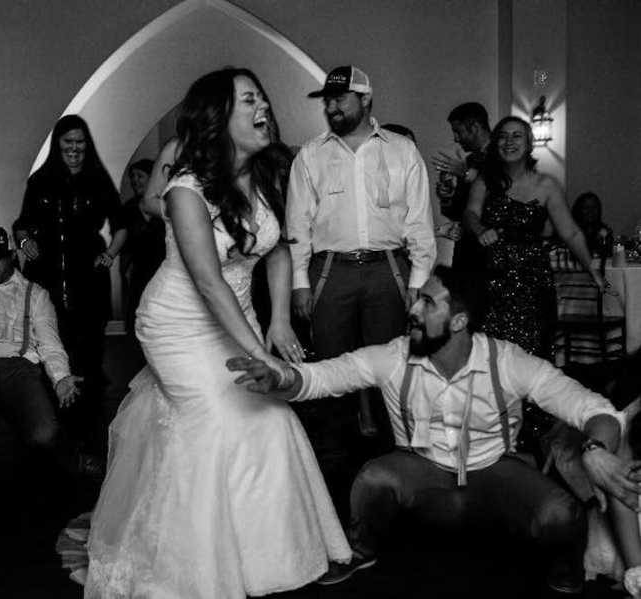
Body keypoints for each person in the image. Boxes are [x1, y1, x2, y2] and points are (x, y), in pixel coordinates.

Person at [83, 68, 350, 598]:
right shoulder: (185, 191)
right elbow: (207, 282)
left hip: (238, 316)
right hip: (178, 324)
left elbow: (277, 248)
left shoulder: (272, 172)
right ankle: (186, 573)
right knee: (214, 423)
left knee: (269, 420)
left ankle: (264, 561)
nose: (263, 108)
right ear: (216, 118)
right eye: (248, 99)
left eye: (263, 98)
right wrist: (260, 355)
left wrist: (275, 323)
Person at [228, 266, 641, 594]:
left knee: (562, 515)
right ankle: (362, 549)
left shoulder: (509, 362)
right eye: (418, 300)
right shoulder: (393, 356)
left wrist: (595, 449)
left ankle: (565, 568)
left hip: (494, 471)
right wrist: (279, 378)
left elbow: (593, 409)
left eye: (428, 303)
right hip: (422, 473)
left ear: (459, 320)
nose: (413, 309)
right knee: (373, 479)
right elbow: (322, 377)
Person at [285, 64, 435, 485]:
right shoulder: (311, 154)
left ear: (365, 100)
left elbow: (419, 220)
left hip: (388, 268)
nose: (331, 107)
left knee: (393, 368)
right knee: (334, 372)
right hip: (330, 270)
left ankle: (396, 468)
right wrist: (300, 281)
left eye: (340, 98)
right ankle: (338, 474)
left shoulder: (402, 149)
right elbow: (298, 225)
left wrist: (419, 278)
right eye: (327, 101)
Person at [14, 115, 126, 465]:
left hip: (87, 283)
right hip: (48, 281)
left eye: (79, 143)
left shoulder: (97, 180)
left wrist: (110, 255)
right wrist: (26, 240)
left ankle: (89, 441)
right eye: (68, 144)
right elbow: (22, 224)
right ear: (58, 146)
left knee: (88, 361)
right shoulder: (41, 181)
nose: (74, 150)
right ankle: (58, 436)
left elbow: (122, 225)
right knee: (54, 355)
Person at [464, 116, 604, 360]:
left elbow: (570, 232)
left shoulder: (547, 185)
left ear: (529, 144)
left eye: (517, 135)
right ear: (496, 143)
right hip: (492, 281)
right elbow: (470, 213)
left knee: (533, 355)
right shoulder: (485, 180)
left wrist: (592, 271)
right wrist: (480, 230)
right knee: (492, 356)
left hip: (533, 282)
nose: (509, 141)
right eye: (503, 136)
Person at [0, 226, 81, 454]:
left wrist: (60, 377)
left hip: (17, 370)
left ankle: (72, 462)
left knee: (44, 433)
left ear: (12, 255)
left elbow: (50, 345)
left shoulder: (35, 294)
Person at [433, 102, 492, 271]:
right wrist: (446, 196)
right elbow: (457, 213)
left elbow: (500, 198)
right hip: (466, 253)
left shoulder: (503, 157)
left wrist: (467, 174)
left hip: (492, 253)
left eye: (458, 131)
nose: (455, 138)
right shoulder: (470, 160)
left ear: (474, 127)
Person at [119, 158, 165, 340]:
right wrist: (124, 271)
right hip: (139, 273)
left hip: (163, 271)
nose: (135, 181)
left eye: (140, 176)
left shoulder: (166, 204)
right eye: (133, 177)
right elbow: (125, 244)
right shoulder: (129, 208)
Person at [571, 191, 613, 258]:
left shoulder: (604, 231)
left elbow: (609, 253)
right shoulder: (570, 231)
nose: (590, 211)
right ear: (579, 209)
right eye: (586, 208)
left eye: (594, 207)